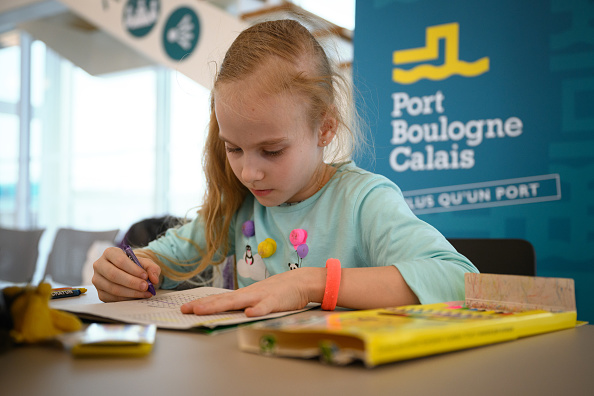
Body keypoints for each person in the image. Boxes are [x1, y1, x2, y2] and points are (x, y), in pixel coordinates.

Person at [92, 19, 478, 316]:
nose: (248, 173)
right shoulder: (241, 208)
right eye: (234, 149)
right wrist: (130, 270)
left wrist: (311, 282)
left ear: (324, 127)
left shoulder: (363, 201)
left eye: (272, 151)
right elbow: (160, 259)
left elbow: (460, 281)